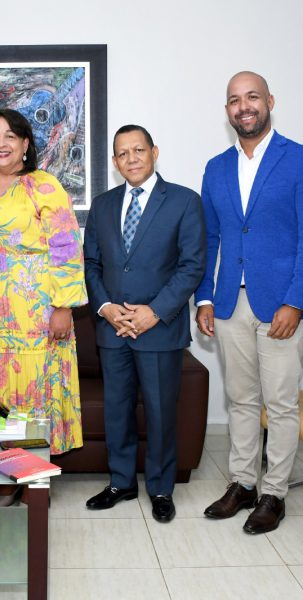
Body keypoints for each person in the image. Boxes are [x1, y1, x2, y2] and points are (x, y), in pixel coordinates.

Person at [0, 108, 87, 503]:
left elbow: (66, 250)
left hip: (35, 315)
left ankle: (31, 479)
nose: (1, 143)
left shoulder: (44, 187)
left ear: (25, 144)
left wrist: (64, 307)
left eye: (10, 135)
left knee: (32, 397)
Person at [196, 71, 303, 534]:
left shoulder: (297, 159)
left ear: (269, 102)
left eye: (252, 97)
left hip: (280, 304)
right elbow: (209, 238)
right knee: (241, 399)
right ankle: (243, 483)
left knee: (280, 403)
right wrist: (204, 297)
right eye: (235, 100)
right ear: (227, 110)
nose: (244, 106)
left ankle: (274, 492)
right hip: (228, 303)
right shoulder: (216, 167)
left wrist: (296, 301)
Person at [84, 125, 205, 522]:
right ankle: (120, 482)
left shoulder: (184, 201)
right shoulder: (103, 205)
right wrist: (105, 307)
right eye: (123, 153)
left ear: (154, 152)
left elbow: (192, 266)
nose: (131, 158)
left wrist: (153, 312)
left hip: (160, 328)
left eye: (138, 150)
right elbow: (92, 264)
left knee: (160, 413)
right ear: (114, 161)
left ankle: (161, 488)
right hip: (113, 328)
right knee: (117, 411)